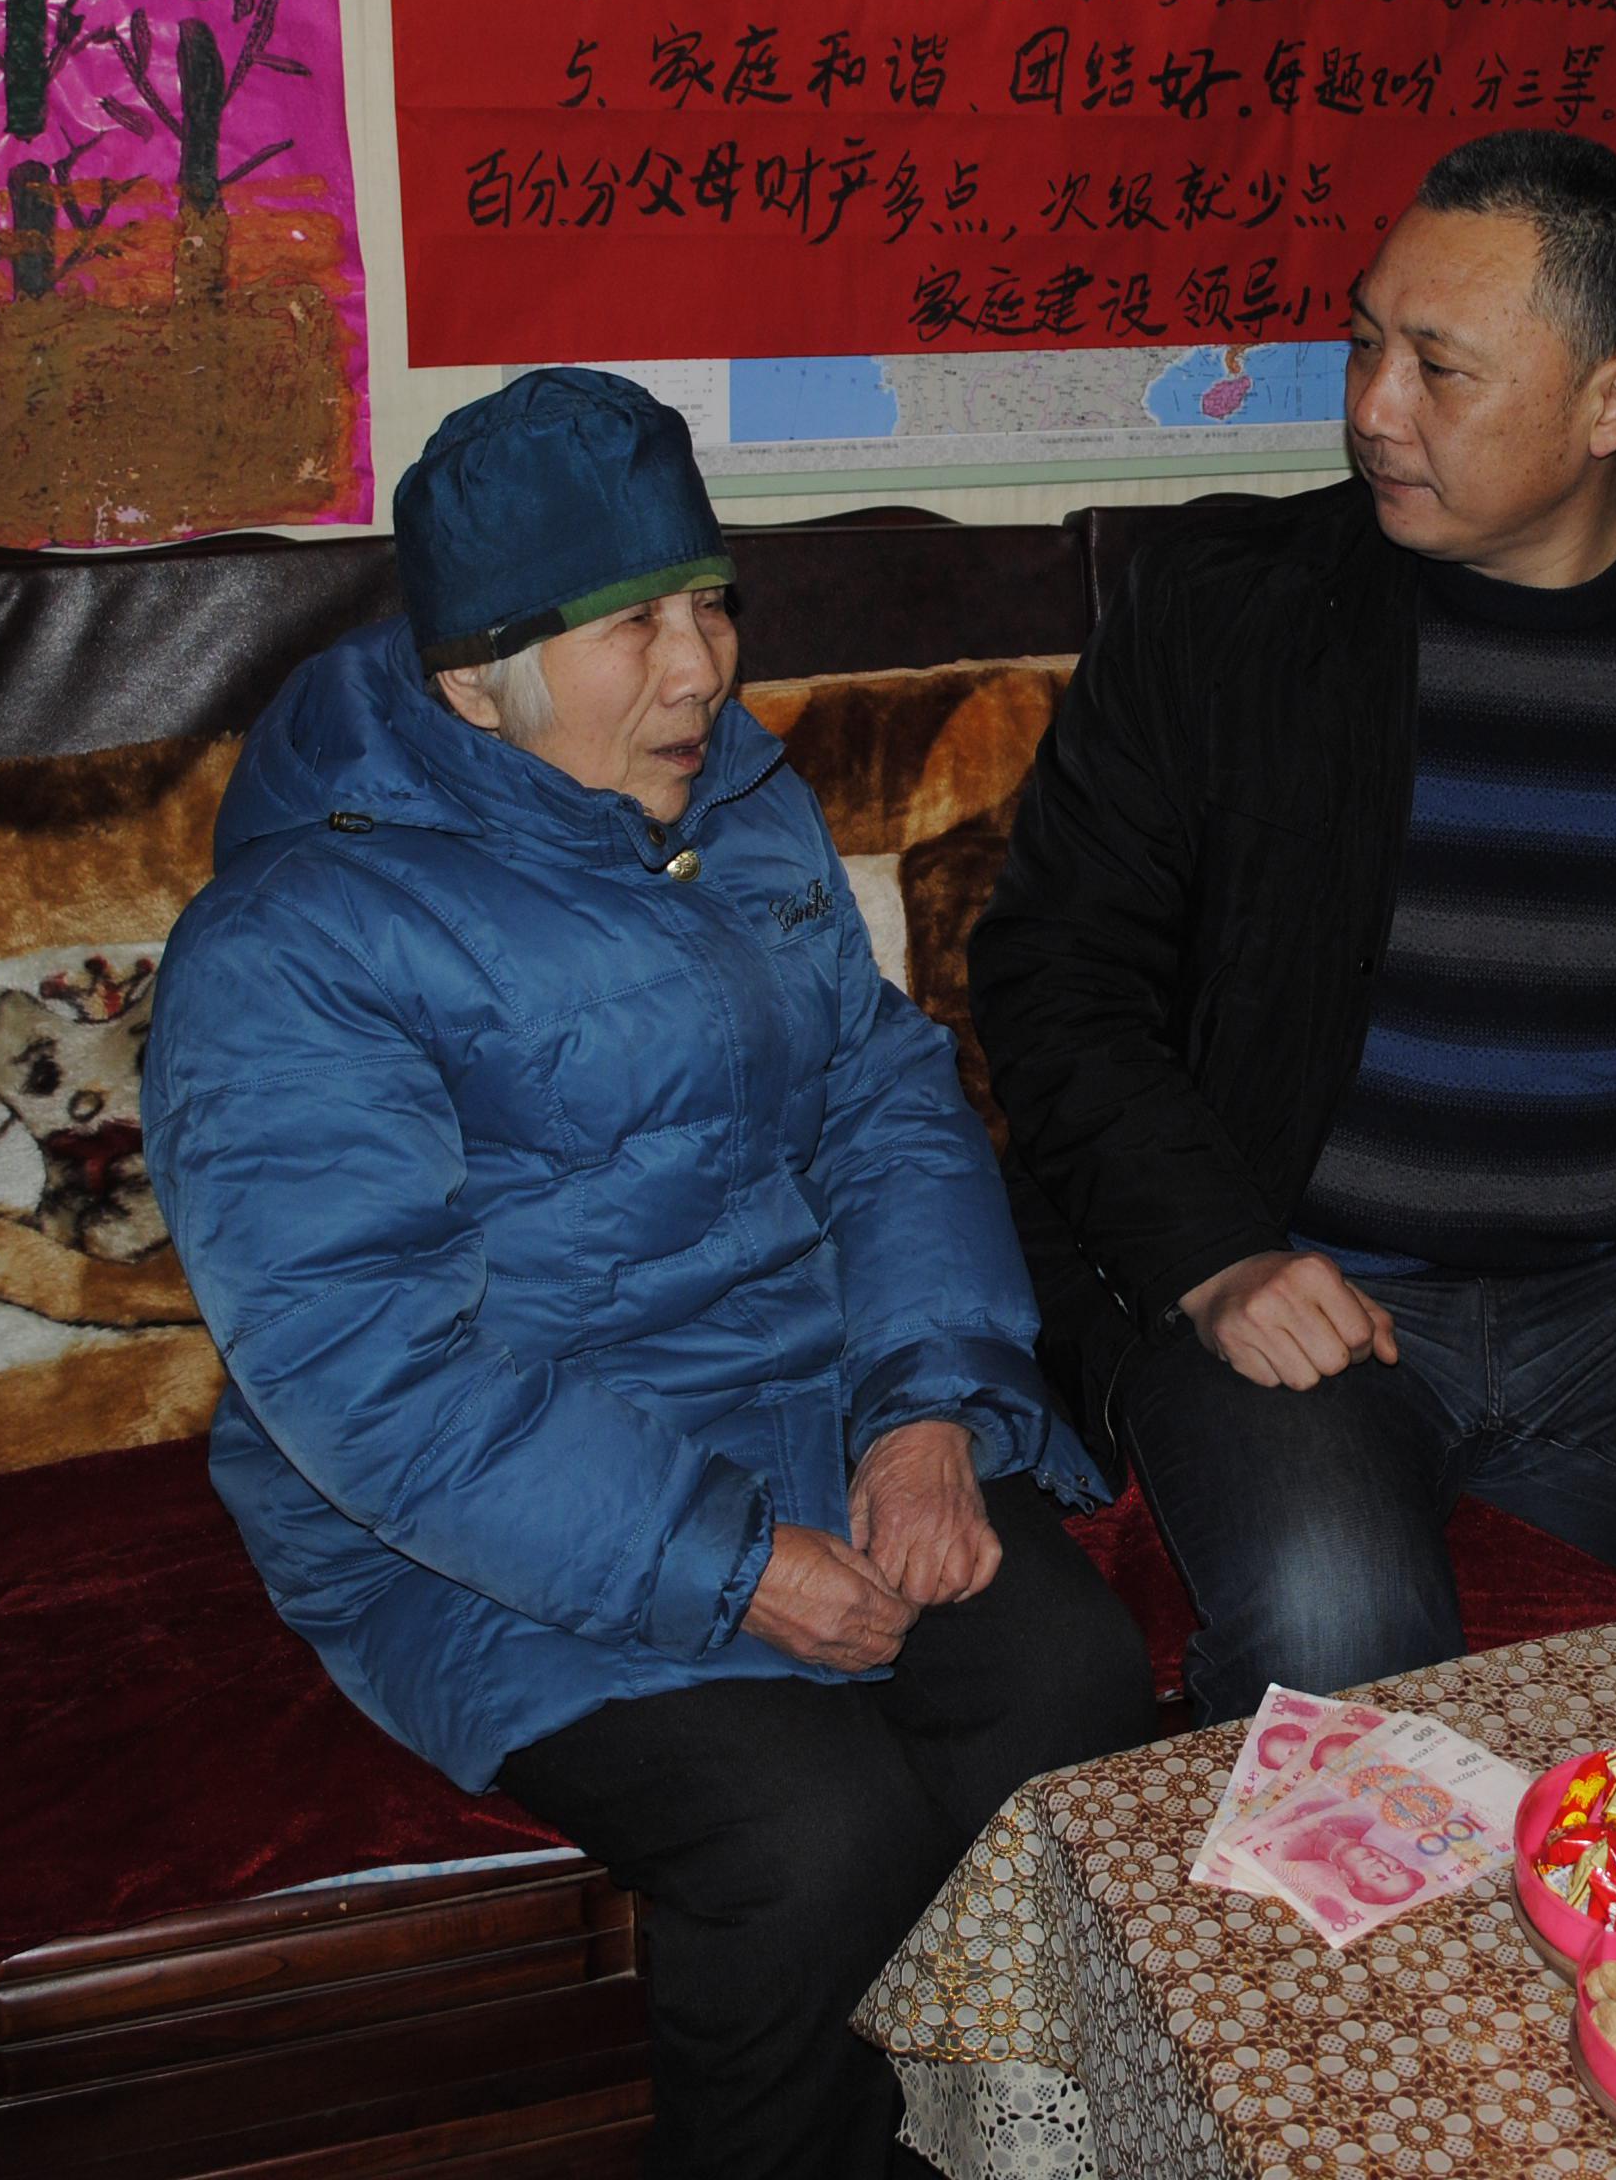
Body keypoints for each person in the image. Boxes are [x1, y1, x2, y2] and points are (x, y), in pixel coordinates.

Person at [146, 370, 1152, 2180]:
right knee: (812, 1836)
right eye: (632, 627)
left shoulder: (735, 802)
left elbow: (883, 1100)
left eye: (710, 600)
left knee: (1065, 1685)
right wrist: (731, 1565)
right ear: (476, 679)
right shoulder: (296, 940)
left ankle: (1008, 2152)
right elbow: (369, 1364)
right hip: (489, 1506)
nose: (700, 669)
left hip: (807, 1401)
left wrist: (927, 1406)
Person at [970, 129, 1616, 1727]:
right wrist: (1218, 1260)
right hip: (1301, 1284)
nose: (1374, 408)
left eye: (1440, 369)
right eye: (1366, 344)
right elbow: (1055, 978)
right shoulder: (1229, 615)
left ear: (1612, 404)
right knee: (1339, 1631)